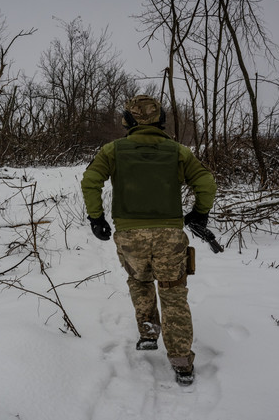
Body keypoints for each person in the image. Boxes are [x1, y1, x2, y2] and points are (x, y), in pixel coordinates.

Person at [80, 94, 216, 386]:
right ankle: (181, 362)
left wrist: (96, 217)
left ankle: (148, 332)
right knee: (173, 291)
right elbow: (206, 182)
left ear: (128, 121)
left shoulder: (113, 150)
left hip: (129, 234)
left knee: (140, 280)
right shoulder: (178, 151)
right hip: (169, 234)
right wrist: (199, 214)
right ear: (162, 119)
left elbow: (90, 180)